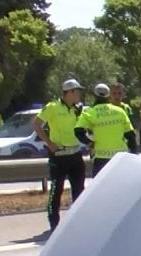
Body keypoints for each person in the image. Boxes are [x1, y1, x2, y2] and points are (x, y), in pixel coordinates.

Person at [34, 79, 88, 231]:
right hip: (59, 155)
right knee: (56, 190)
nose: (79, 95)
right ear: (70, 92)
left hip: (75, 154)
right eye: (77, 91)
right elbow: (36, 124)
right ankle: (54, 224)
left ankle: (78, 223)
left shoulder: (78, 109)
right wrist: (49, 143)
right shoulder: (53, 107)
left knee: (79, 190)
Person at [76, 83, 137, 177]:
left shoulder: (89, 112)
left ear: (94, 96)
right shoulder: (120, 111)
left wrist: (90, 143)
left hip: (101, 157)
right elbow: (131, 136)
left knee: (99, 188)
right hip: (119, 157)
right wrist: (134, 155)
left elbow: (78, 131)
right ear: (108, 95)